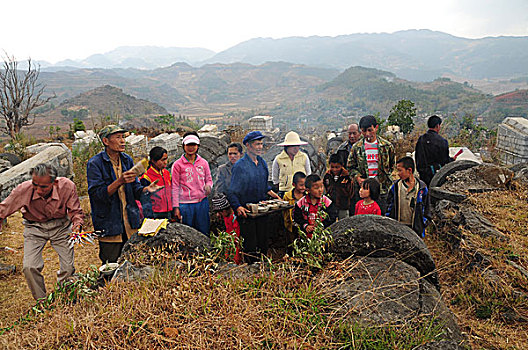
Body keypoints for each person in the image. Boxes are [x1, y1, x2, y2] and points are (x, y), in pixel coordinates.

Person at [0, 163, 84, 301]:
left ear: (54, 182)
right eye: (35, 184)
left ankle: (63, 295)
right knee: (29, 267)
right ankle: (42, 301)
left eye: (44, 187)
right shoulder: (23, 189)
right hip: (35, 228)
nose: (38, 190)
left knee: (68, 268)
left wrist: (77, 226)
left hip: (61, 227)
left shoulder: (67, 186)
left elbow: (76, 212)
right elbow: (3, 210)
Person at [87, 125, 162, 264]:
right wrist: (119, 181)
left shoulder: (126, 160)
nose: (123, 141)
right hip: (109, 224)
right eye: (118, 137)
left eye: (123, 137)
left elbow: (135, 188)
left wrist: (146, 190)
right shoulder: (95, 164)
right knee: (111, 264)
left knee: (132, 261)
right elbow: (97, 195)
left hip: (130, 223)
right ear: (106, 141)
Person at [227, 131, 281, 262]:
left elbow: (264, 186)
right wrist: (238, 207)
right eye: (257, 144)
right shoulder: (240, 166)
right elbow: (232, 191)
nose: (260, 147)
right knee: (250, 243)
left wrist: (277, 198)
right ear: (248, 146)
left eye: (261, 144)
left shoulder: (262, 163)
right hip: (247, 211)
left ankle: (262, 267)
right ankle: (251, 269)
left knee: (263, 240)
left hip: (261, 210)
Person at [347, 115, 395, 214]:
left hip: (381, 190)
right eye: (364, 131)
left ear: (376, 128)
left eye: (370, 130)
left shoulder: (386, 146)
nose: (367, 134)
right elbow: (350, 167)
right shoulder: (357, 148)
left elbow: (391, 165)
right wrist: (358, 177)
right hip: (363, 192)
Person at [171, 131, 213, 236]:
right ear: (183, 146)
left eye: (193, 145)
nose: (191, 147)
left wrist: (208, 186)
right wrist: (176, 207)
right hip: (185, 205)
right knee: (187, 233)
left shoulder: (203, 163)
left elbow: (209, 179)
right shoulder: (177, 165)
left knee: (203, 231)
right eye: (188, 145)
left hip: (202, 203)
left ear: (198, 145)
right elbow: (175, 186)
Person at [386, 156, 431, 237]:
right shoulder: (396, 187)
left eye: (400, 170)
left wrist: (423, 222)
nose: (398, 174)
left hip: (415, 229)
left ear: (409, 170)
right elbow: (389, 204)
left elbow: (426, 208)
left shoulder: (421, 188)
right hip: (398, 226)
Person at [415, 115, 457, 186]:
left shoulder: (421, 139)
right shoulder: (442, 141)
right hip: (436, 176)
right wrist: (452, 159)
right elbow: (444, 160)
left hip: (423, 176)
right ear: (437, 126)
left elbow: (418, 157)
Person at [294, 174, 336, 238]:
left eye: (321, 186)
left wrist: (321, 226)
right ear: (308, 190)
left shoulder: (327, 202)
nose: (320, 190)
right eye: (316, 188)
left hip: (323, 234)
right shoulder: (301, 203)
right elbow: (297, 217)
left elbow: (332, 217)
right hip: (306, 235)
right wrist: (305, 225)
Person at [272, 131, 311, 197]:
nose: (296, 148)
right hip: (284, 192)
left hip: (301, 192)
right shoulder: (278, 159)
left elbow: (308, 174)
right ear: (286, 146)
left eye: (297, 146)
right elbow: (275, 178)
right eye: (293, 146)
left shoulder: (304, 157)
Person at [140, 146, 172, 219]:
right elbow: (144, 200)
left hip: (168, 211)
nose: (166, 162)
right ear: (153, 161)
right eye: (163, 160)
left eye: (166, 159)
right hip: (155, 213)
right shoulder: (146, 177)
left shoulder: (166, 173)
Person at [212, 193, 242, 264]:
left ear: (225, 210)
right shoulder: (226, 217)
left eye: (220, 212)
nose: (218, 215)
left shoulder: (235, 218)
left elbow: (236, 238)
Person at [323, 153, 354, 220]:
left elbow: (351, 192)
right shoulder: (327, 176)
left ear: (342, 165)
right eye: (332, 167)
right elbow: (325, 188)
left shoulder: (346, 177)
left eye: (337, 167)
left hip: (343, 206)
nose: (334, 170)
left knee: (344, 223)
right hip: (331, 205)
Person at [283, 171, 306, 248]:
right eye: (301, 185)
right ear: (294, 185)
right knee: (291, 242)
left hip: (303, 223)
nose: (303, 187)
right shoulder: (288, 196)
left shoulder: (307, 195)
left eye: (305, 185)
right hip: (291, 225)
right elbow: (285, 211)